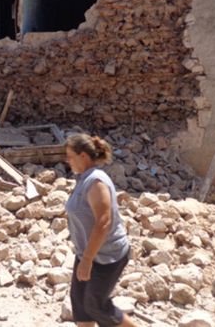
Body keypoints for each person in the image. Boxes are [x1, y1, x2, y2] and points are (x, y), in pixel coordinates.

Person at [65, 133, 138, 327]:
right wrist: (85, 257)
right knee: (81, 306)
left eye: (70, 156)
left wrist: (87, 259)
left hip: (107, 256)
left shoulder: (96, 181)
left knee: (96, 306)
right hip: (87, 253)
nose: (67, 161)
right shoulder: (82, 179)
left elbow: (103, 221)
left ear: (83, 156)